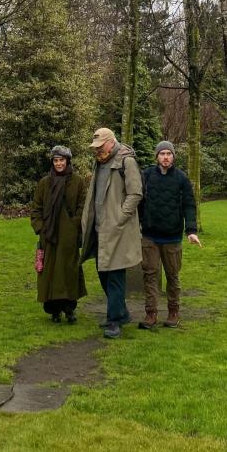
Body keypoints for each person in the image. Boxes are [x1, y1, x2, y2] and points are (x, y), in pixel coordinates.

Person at [80, 127, 142, 339]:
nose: (97, 151)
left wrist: (120, 218)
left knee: (115, 275)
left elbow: (135, 193)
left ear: (111, 142)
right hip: (99, 229)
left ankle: (114, 320)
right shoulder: (101, 162)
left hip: (117, 230)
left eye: (100, 146)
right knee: (102, 272)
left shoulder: (126, 161)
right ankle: (121, 313)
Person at [138, 140, 201, 330]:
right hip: (149, 236)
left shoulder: (181, 179)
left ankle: (173, 312)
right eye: (162, 153)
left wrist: (191, 231)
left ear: (173, 156)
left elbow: (189, 205)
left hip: (172, 238)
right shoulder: (147, 175)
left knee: (172, 276)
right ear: (156, 156)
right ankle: (151, 314)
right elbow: (138, 200)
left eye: (169, 153)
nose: (165, 157)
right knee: (150, 276)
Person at [30, 145, 87, 323]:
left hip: (69, 236)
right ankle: (54, 310)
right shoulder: (44, 183)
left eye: (62, 160)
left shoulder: (77, 181)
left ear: (68, 161)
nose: (59, 163)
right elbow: (36, 209)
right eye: (56, 160)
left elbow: (82, 206)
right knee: (51, 273)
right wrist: (41, 228)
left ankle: (69, 309)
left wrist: (74, 226)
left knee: (69, 271)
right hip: (49, 236)